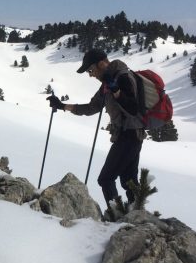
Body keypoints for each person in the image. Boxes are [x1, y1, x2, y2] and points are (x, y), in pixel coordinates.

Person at [46, 49, 145, 218]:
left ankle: (118, 216)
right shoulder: (107, 84)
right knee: (128, 180)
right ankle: (137, 216)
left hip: (130, 134)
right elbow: (92, 107)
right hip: (127, 135)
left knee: (106, 179)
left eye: (91, 70)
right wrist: (63, 106)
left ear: (101, 64)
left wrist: (116, 90)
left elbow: (133, 108)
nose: (90, 75)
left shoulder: (122, 77)